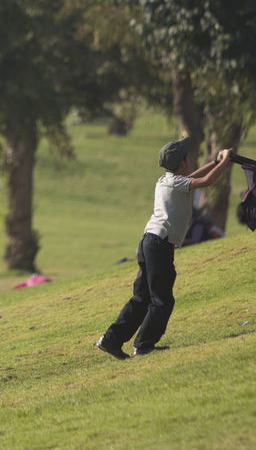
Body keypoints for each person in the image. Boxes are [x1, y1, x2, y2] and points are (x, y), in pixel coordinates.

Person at [96, 140, 233, 360]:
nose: (190, 160)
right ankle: (143, 345)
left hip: (150, 242)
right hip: (159, 245)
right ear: (182, 162)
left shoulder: (166, 180)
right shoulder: (175, 183)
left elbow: (195, 177)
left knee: (142, 297)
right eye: (188, 157)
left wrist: (214, 162)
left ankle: (110, 340)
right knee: (162, 299)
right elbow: (206, 181)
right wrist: (225, 162)